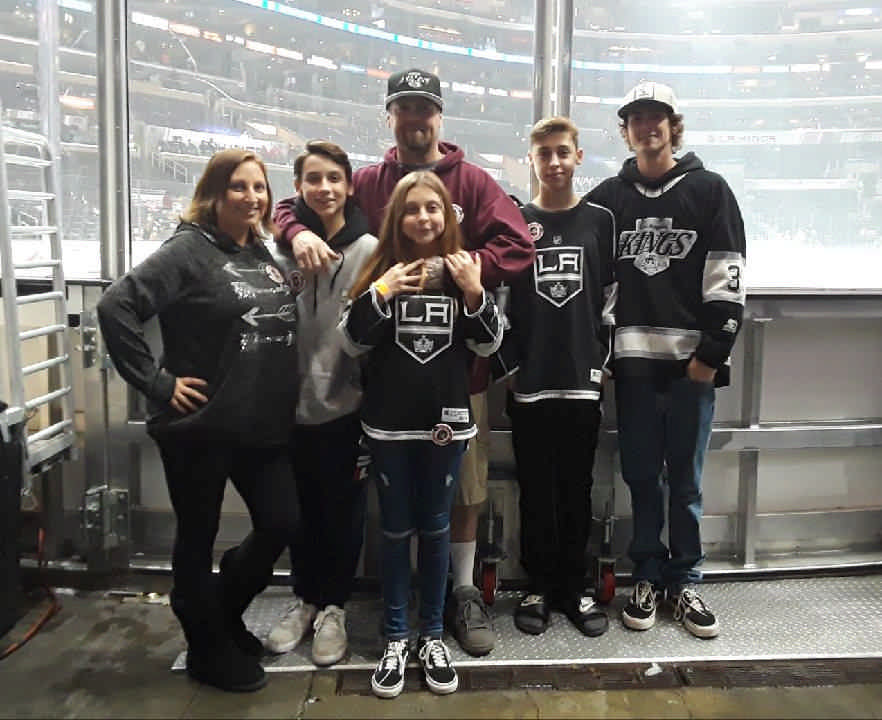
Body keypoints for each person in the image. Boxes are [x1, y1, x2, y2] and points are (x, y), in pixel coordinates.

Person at [274, 68, 532, 657]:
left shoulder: (472, 181)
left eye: (426, 109)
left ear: (440, 117)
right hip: (383, 379)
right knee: (385, 503)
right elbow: (298, 205)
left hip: (456, 376)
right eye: (404, 109)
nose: (416, 119)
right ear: (390, 117)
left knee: (461, 491)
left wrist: (466, 272)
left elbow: (518, 247)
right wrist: (293, 233)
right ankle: (378, 611)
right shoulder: (368, 180)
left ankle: (458, 594)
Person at [96, 150, 300, 692]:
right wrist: (158, 383)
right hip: (202, 428)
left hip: (260, 426)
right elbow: (116, 305)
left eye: (260, 187)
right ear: (214, 194)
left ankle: (223, 611)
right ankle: (206, 645)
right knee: (197, 537)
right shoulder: (187, 250)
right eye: (239, 187)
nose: (253, 197)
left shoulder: (259, 248)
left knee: (281, 521)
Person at [586, 81, 746, 638]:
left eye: (657, 118)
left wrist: (712, 353)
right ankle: (647, 575)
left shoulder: (709, 190)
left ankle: (687, 581)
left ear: (673, 126)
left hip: (690, 371)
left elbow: (727, 272)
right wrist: (603, 352)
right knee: (641, 477)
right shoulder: (608, 197)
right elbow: (594, 276)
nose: (647, 127)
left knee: (686, 482)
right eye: (636, 118)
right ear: (625, 129)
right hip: (630, 367)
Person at [339, 171, 503, 698]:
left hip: (446, 426)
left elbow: (488, 347)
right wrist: (382, 292)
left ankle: (431, 633)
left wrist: (475, 291)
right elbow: (350, 341)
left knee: (435, 529)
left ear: (447, 214)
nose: (424, 218)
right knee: (393, 529)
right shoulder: (381, 269)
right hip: (389, 427)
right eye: (413, 209)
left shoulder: (463, 269)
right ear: (397, 217)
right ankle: (394, 635)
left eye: (434, 207)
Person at [495, 117, 615, 638]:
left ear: (579, 156)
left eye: (563, 151)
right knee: (535, 489)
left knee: (577, 488)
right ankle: (539, 585)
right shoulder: (516, 220)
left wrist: (601, 362)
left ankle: (575, 585)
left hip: (582, 384)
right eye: (544, 153)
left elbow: (613, 301)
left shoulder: (602, 221)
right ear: (532, 160)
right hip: (531, 383)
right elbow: (500, 301)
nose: (555, 161)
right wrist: (512, 366)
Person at [265, 141, 378, 665]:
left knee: (342, 512)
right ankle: (304, 599)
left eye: (334, 178)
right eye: (313, 179)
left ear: (349, 185)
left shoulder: (370, 251)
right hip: (288, 409)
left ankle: (335, 606)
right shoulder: (280, 249)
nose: (324, 188)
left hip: (346, 408)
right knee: (298, 512)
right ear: (299, 187)